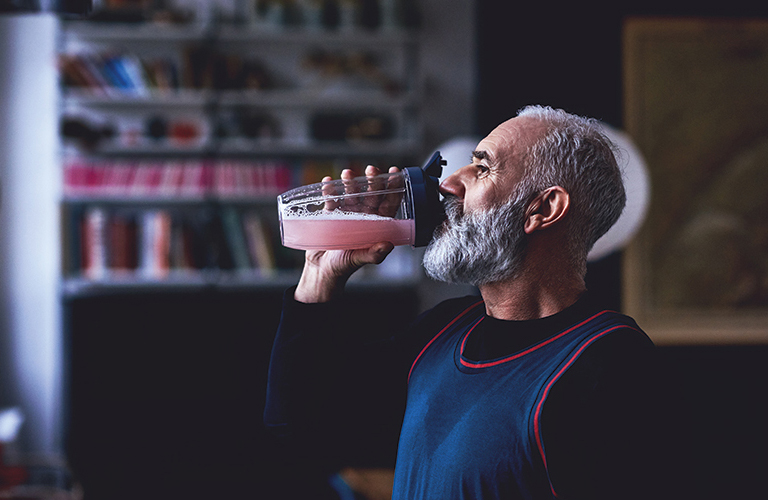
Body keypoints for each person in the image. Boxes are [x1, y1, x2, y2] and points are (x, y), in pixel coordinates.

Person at [264, 105, 667, 500]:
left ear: (543, 209)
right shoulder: (446, 329)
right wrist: (321, 272)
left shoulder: (608, 363)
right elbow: (301, 424)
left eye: (482, 167)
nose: (449, 183)